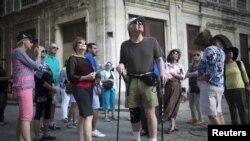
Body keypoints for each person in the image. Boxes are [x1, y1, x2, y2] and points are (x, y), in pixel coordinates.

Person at [116, 16, 167, 141]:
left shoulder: (152, 41)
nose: (140, 24)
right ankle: (136, 138)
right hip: (132, 81)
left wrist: (162, 72)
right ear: (130, 28)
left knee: (150, 112)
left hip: (148, 81)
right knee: (134, 112)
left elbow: (159, 58)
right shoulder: (125, 45)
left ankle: (153, 139)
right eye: (136, 22)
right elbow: (123, 61)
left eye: (141, 22)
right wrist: (120, 66)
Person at [11, 32, 42, 141]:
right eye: (31, 41)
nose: (32, 44)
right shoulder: (19, 51)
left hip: (23, 87)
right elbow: (35, 65)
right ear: (24, 41)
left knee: (22, 116)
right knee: (26, 117)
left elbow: (32, 69)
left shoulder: (19, 53)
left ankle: (19, 139)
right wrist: (38, 55)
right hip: (24, 87)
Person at [66, 36, 95, 141]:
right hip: (79, 88)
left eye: (84, 43)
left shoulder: (87, 59)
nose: (83, 44)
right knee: (88, 115)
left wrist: (96, 76)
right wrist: (87, 77)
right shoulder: (72, 58)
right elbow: (71, 76)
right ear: (75, 46)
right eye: (80, 42)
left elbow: (91, 73)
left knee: (83, 115)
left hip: (89, 88)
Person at [194, 29, 225, 125]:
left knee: (211, 115)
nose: (198, 47)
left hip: (209, 86)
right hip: (219, 85)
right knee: (218, 113)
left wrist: (204, 77)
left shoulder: (208, 51)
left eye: (198, 44)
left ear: (201, 42)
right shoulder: (220, 50)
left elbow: (212, 70)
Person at [33, 46, 56, 141]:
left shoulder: (46, 65)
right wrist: (52, 88)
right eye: (42, 50)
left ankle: (45, 135)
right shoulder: (36, 64)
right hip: (41, 93)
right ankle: (37, 137)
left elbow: (51, 77)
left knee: (47, 114)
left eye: (45, 50)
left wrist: (53, 87)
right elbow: (40, 80)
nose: (45, 52)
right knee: (38, 114)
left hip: (49, 93)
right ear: (36, 52)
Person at [224, 46, 250, 125]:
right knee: (232, 108)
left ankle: (244, 123)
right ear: (225, 55)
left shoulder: (239, 63)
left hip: (239, 88)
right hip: (228, 89)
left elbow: (244, 73)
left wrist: (248, 84)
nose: (230, 53)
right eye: (228, 52)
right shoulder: (223, 65)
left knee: (241, 107)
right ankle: (234, 123)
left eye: (231, 52)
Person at [85, 43, 105, 137]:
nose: (97, 50)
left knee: (92, 108)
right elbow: (93, 72)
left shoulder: (90, 57)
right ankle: (93, 129)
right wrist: (98, 77)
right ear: (89, 49)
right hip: (91, 86)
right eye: (95, 48)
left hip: (91, 85)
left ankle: (90, 129)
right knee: (95, 108)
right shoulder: (89, 57)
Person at [164, 49, 185, 134]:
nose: (175, 55)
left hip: (176, 85)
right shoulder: (166, 64)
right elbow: (165, 75)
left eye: (176, 54)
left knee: (173, 104)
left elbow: (183, 76)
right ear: (170, 55)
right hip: (168, 85)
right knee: (167, 103)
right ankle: (173, 124)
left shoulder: (179, 66)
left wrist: (174, 75)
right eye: (173, 53)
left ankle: (172, 125)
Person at [44, 43, 61, 130]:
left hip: (55, 84)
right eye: (54, 47)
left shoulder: (57, 60)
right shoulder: (45, 58)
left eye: (57, 48)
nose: (55, 49)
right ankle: (44, 124)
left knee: (53, 104)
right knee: (45, 104)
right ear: (49, 48)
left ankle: (51, 122)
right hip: (46, 84)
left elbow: (58, 72)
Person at [185, 51, 204, 126]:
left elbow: (198, 73)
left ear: (200, 57)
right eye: (194, 55)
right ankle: (194, 118)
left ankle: (201, 119)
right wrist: (190, 74)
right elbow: (186, 74)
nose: (195, 56)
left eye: (197, 55)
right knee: (191, 104)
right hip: (191, 85)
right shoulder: (191, 65)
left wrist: (191, 74)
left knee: (197, 103)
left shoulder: (201, 65)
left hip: (198, 86)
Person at [92, 72, 106, 137]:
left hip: (95, 101)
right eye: (97, 78)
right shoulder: (90, 81)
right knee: (92, 116)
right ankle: (93, 130)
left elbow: (99, 93)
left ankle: (93, 129)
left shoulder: (98, 83)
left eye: (99, 78)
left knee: (95, 116)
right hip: (91, 101)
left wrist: (97, 85)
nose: (98, 80)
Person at [0, 56, 11, 126]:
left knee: (3, 105)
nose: (2, 62)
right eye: (1, 60)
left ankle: (1, 119)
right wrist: (8, 77)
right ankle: (0, 120)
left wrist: (9, 81)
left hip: (3, 90)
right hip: (0, 90)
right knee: (0, 105)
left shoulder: (2, 69)